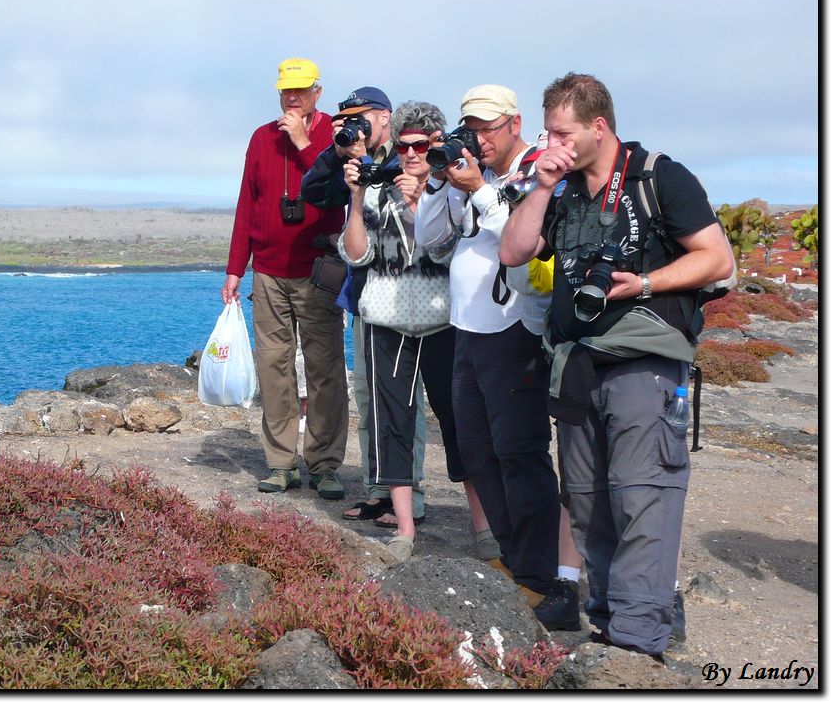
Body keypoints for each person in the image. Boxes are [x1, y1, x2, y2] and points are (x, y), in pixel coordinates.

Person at [499, 72, 734, 657]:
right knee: (585, 500)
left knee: (642, 497)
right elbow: (514, 251)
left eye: (562, 132)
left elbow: (717, 257)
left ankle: (638, 639)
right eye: (548, 130)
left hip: (644, 361)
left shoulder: (659, 177)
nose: (551, 142)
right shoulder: (562, 187)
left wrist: (647, 282)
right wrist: (542, 185)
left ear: (598, 126)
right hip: (576, 361)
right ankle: (607, 627)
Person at [413, 84, 577, 630]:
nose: (478, 137)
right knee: (478, 453)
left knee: (520, 453)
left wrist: (481, 189)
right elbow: (430, 237)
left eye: (487, 127)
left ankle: (539, 575)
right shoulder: (472, 176)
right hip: (467, 331)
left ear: (514, 123)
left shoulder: (537, 171)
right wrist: (441, 180)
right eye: (471, 127)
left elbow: (523, 240)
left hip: (515, 332)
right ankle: (513, 560)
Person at [302, 88, 429, 526]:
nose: (354, 127)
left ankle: (411, 495)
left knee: (403, 402)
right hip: (364, 299)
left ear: (385, 117)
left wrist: (369, 162)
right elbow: (313, 191)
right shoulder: (357, 164)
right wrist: (337, 153)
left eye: (361, 119)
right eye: (346, 120)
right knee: (369, 398)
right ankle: (379, 490)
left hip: (405, 302)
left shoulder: (408, 157)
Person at [223, 58, 348, 500]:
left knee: (325, 370)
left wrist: (301, 142)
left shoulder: (337, 133)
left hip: (318, 272)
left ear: (317, 92)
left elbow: (337, 188)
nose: (291, 98)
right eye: (285, 91)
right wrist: (236, 268)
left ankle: (325, 464)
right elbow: (247, 204)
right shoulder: (260, 139)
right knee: (273, 370)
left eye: (300, 91)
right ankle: (280, 463)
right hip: (270, 273)